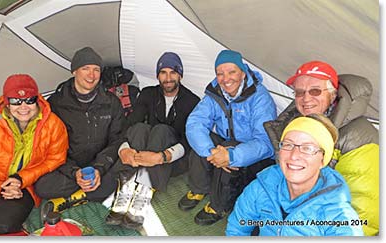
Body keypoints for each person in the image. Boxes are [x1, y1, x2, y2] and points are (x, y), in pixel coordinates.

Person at [263, 61, 379, 235]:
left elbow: (363, 210)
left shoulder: (357, 137)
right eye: (299, 92)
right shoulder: (293, 124)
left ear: (333, 95)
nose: (306, 98)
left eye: (315, 91)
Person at [0, 74, 68, 234]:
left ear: (37, 99)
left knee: (3, 224)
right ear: (7, 103)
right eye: (16, 101)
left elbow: (56, 159)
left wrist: (21, 179)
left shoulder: (54, 125)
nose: (23, 106)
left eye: (29, 100)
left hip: (24, 186)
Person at [179, 50, 277, 226]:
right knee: (203, 139)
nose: (226, 79)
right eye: (220, 73)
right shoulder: (215, 93)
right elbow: (195, 122)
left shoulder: (260, 98)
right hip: (226, 148)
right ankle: (199, 188)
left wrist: (231, 156)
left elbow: (266, 143)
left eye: (232, 72)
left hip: (256, 157)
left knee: (229, 146)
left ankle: (220, 205)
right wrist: (211, 152)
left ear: (242, 72)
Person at [105, 52, 200, 230]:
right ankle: (126, 188)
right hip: (146, 154)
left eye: (173, 72)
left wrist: (163, 156)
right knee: (140, 129)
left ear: (180, 74)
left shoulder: (192, 101)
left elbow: (191, 140)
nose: (168, 78)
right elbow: (131, 123)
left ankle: (144, 191)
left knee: (161, 130)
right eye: (163, 73)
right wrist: (124, 149)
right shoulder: (148, 94)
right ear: (158, 76)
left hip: (172, 159)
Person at [226, 114, 364, 236]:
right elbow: (237, 228)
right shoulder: (263, 187)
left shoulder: (338, 216)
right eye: (288, 144)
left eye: (307, 148)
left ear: (322, 160)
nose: (294, 156)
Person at [34, 47, 126, 219]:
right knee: (42, 186)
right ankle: (92, 192)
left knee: (125, 170)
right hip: (68, 165)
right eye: (85, 69)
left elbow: (116, 139)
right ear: (74, 71)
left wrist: (99, 168)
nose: (91, 75)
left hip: (100, 164)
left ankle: (76, 197)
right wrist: (74, 172)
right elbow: (49, 148)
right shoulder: (55, 104)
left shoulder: (112, 103)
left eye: (96, 70)